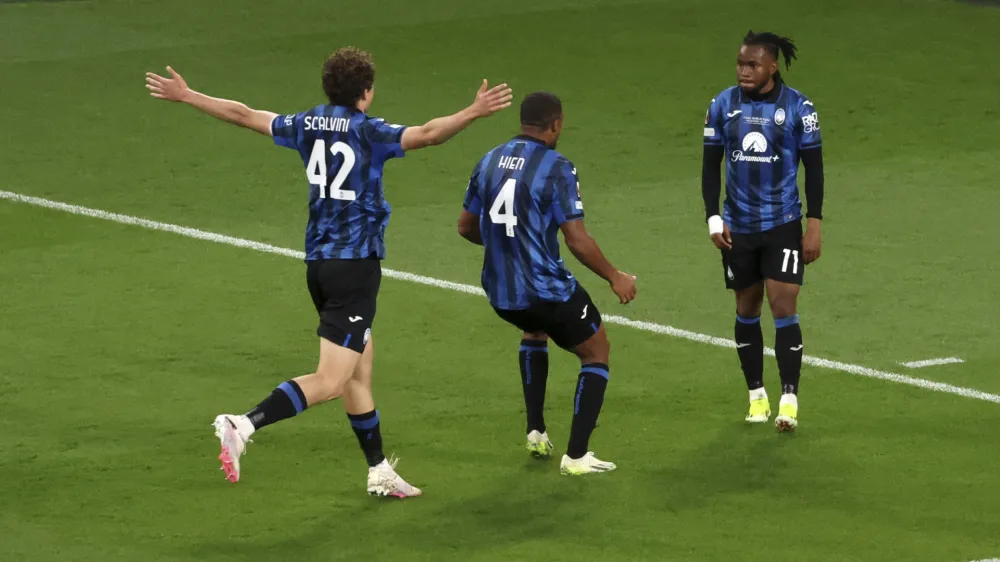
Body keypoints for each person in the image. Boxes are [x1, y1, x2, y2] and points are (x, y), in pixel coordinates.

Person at [145, 46, 512, 496]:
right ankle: (243, 423)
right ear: (366, 91)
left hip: (319, 264)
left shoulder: (306, 123)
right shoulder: (368, 132)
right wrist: (474, 111)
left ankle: (378, 470)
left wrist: (187, 95)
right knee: (332, 380)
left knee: (359, 369)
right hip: (355, 268)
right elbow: (430, 134)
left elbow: (243, 115)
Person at [457, 91, 636, 475]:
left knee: (533, 330)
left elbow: (466, 227)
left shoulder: (488, 161)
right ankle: (577, 456)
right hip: (545, 289)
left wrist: (508, 248)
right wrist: (615, 276)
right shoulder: (557, 167)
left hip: (501, 291)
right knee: (596, 350)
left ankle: (536, 430)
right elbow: (577, 240)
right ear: (555, 124)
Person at [701, 31, 825, 431]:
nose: (743, 71)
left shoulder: (799, 108)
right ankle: (756, 395)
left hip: (783, 224)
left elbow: (815, 169)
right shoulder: (722, 105)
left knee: (783, 306)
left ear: (773, 66)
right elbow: (710, 165)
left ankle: (789, 397)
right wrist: (712, 217)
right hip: (738, 227)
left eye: (752, 64)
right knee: (746, 308)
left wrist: (814, 225)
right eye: (740, 63)